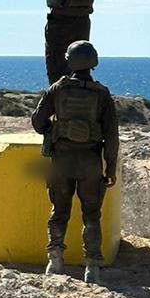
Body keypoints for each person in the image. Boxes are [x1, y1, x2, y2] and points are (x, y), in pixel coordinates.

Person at [31, 39, 118, 283]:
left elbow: (38, 122)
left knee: (59, 210)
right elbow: (111, 136)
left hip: (62, 160)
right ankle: (92, 267)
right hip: (90, 162)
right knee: (91, 213)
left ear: (70, 60)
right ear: (94, 63)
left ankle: (55, 260)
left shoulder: (58, 89)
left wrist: (53, 130)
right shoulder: (102, 93)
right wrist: (110, 167)